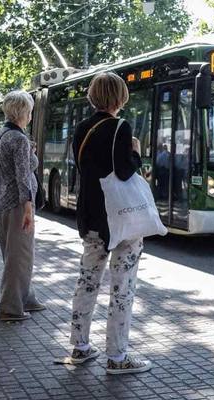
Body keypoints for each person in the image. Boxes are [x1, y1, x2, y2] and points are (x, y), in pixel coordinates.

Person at [67, 72, 150, 375]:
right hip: (121, 220)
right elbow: (125, 171)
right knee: (122, 288)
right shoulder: (121, 127)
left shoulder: (81, 129)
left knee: (87, 281)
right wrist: (137, 153)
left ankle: (79, 346)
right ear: (119, 97)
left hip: (90, 217)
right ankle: (117, 357)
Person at [0, 90, 45, 322]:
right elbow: (23, 177)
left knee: (12, 254)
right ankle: (11, 307)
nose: (31, 115)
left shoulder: (1, 134)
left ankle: (26, 297)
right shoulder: (19, 139)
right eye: (30, 111)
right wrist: (28, 209)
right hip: (16, 205)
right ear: (24, 112)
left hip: (1, 201)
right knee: (20, 256)